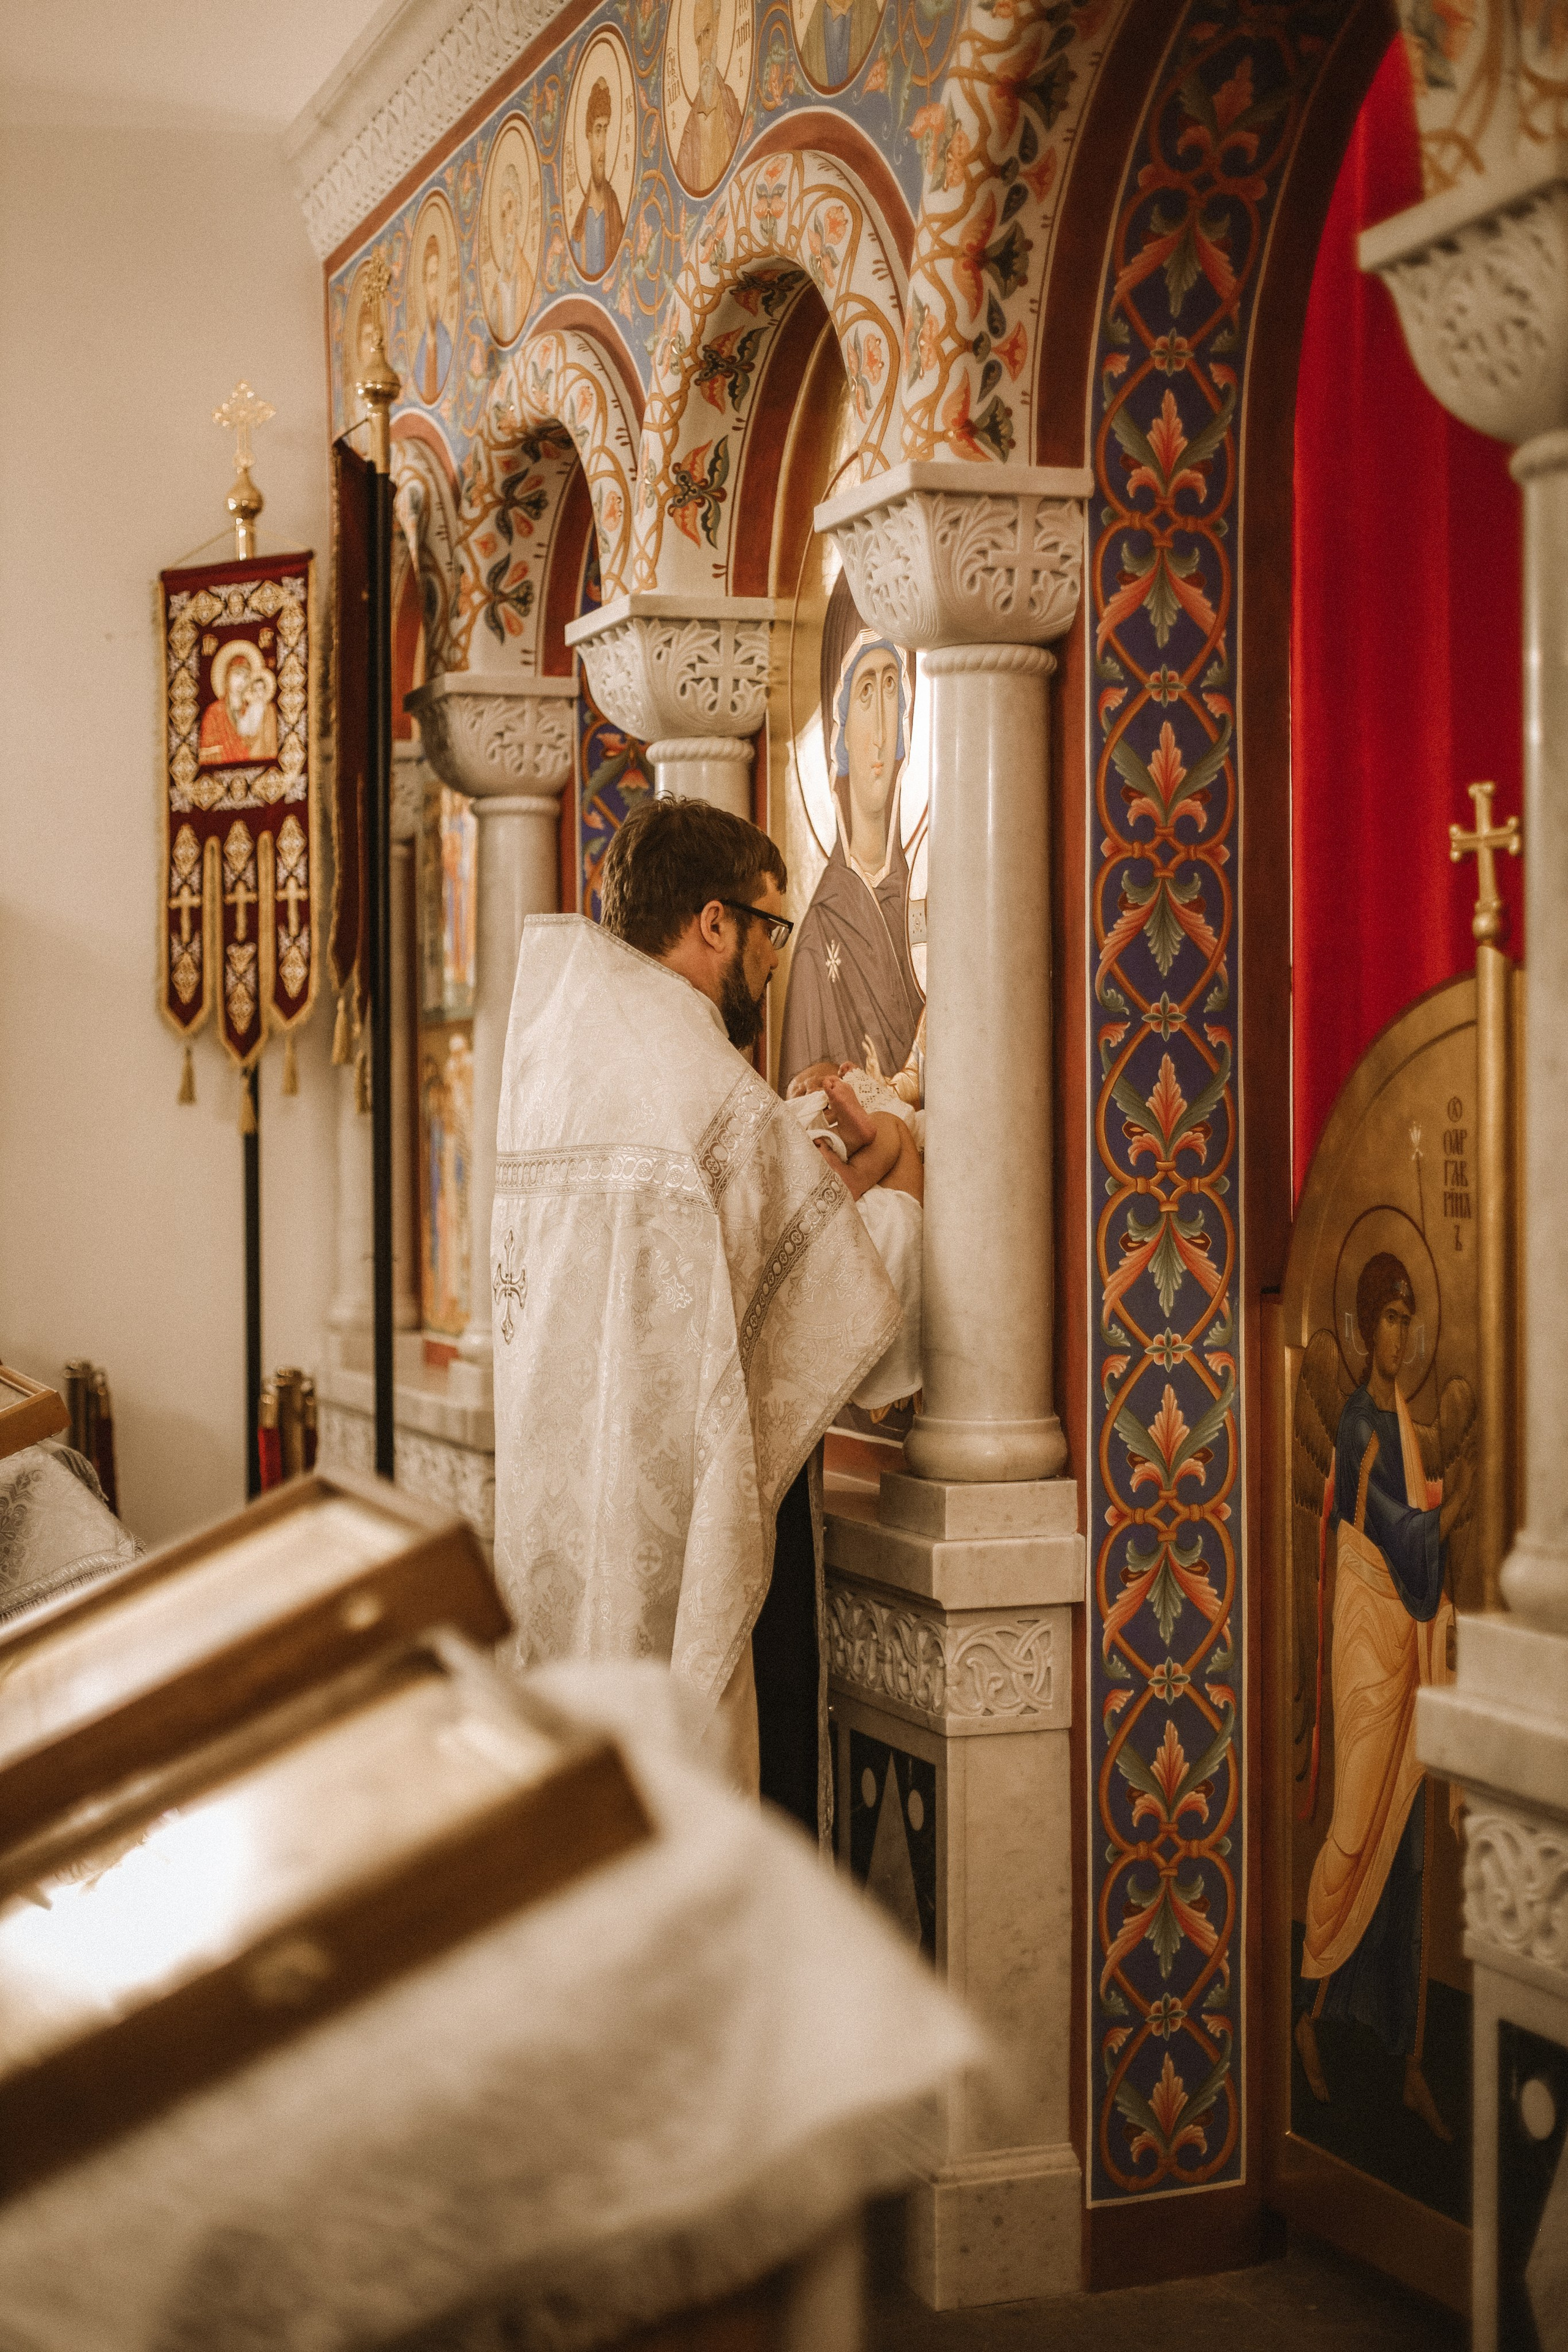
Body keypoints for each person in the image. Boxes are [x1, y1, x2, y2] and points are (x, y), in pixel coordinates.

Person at [489, 797, 902, 1828]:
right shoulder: (704, 1085)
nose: (773, 959)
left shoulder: (563, 1060)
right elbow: (832, 1288)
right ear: (714, 924)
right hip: (685, 1488)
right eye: (772, 929)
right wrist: (884, 1165)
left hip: (575, 1482)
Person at [1294, 1251, 1472, 2141]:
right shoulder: (1364, 1423)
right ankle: (1307, 2013)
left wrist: (1433, 1509)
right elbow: (1389, 1532)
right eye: (1389, 1318)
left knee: (1404, 1859)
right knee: (1356, 1830)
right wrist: (1447, 1511)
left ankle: (1403, 2059)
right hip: (1370, 1649)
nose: (1401, 1334)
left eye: (1410, 1317)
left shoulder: (1400, 1417)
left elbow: (1408, 1512)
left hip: (1406, 1640)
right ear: (1365, 1328)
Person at [778, 619, 923, 1092]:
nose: (883, 730)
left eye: (891, 688)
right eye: (865, 692)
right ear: (837, 730)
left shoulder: (926, 892)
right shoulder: (820, 932)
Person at [676, 0, 742, 192]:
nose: (703, 51)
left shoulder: (729, 103)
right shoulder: (690, 127)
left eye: (707, 33)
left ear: (717, 32)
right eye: (699, 40)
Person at [571, 79, 624, 278]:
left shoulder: (615, 211)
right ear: (588, 137)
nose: (602, 143)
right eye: (597, 131)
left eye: (606, 129)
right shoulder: (578, 228)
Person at [199, 641, 276, 765]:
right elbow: (207, 755)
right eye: (237, 675)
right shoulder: (213, 712)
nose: (242, 681)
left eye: (246, 677)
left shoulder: (257, 709)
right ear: (226, 677)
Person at [413, 232, 451, 404]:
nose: (434, 288)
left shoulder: (447, 340)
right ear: (424, 284)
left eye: (438, 278)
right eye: (431, 279)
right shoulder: (421, 347)